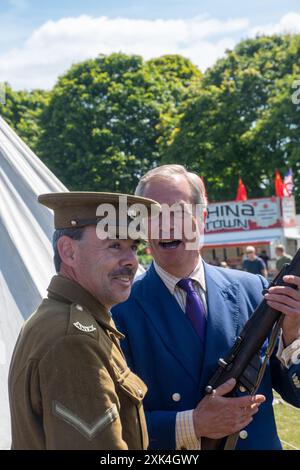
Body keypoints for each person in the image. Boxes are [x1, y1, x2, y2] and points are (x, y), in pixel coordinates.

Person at [112, 164, 300, 450]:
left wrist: (292, 336)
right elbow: (110, 425)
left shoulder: (255, 291)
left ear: (202, 217)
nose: (165, 225)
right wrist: (193, 424)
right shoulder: (119, 311)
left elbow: (296, 394)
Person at [8, 191, 158, 450]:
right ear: (68, 251)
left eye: (133, 247)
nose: (132, 261)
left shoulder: (65, 319)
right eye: (115, 245)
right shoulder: (73, 338)